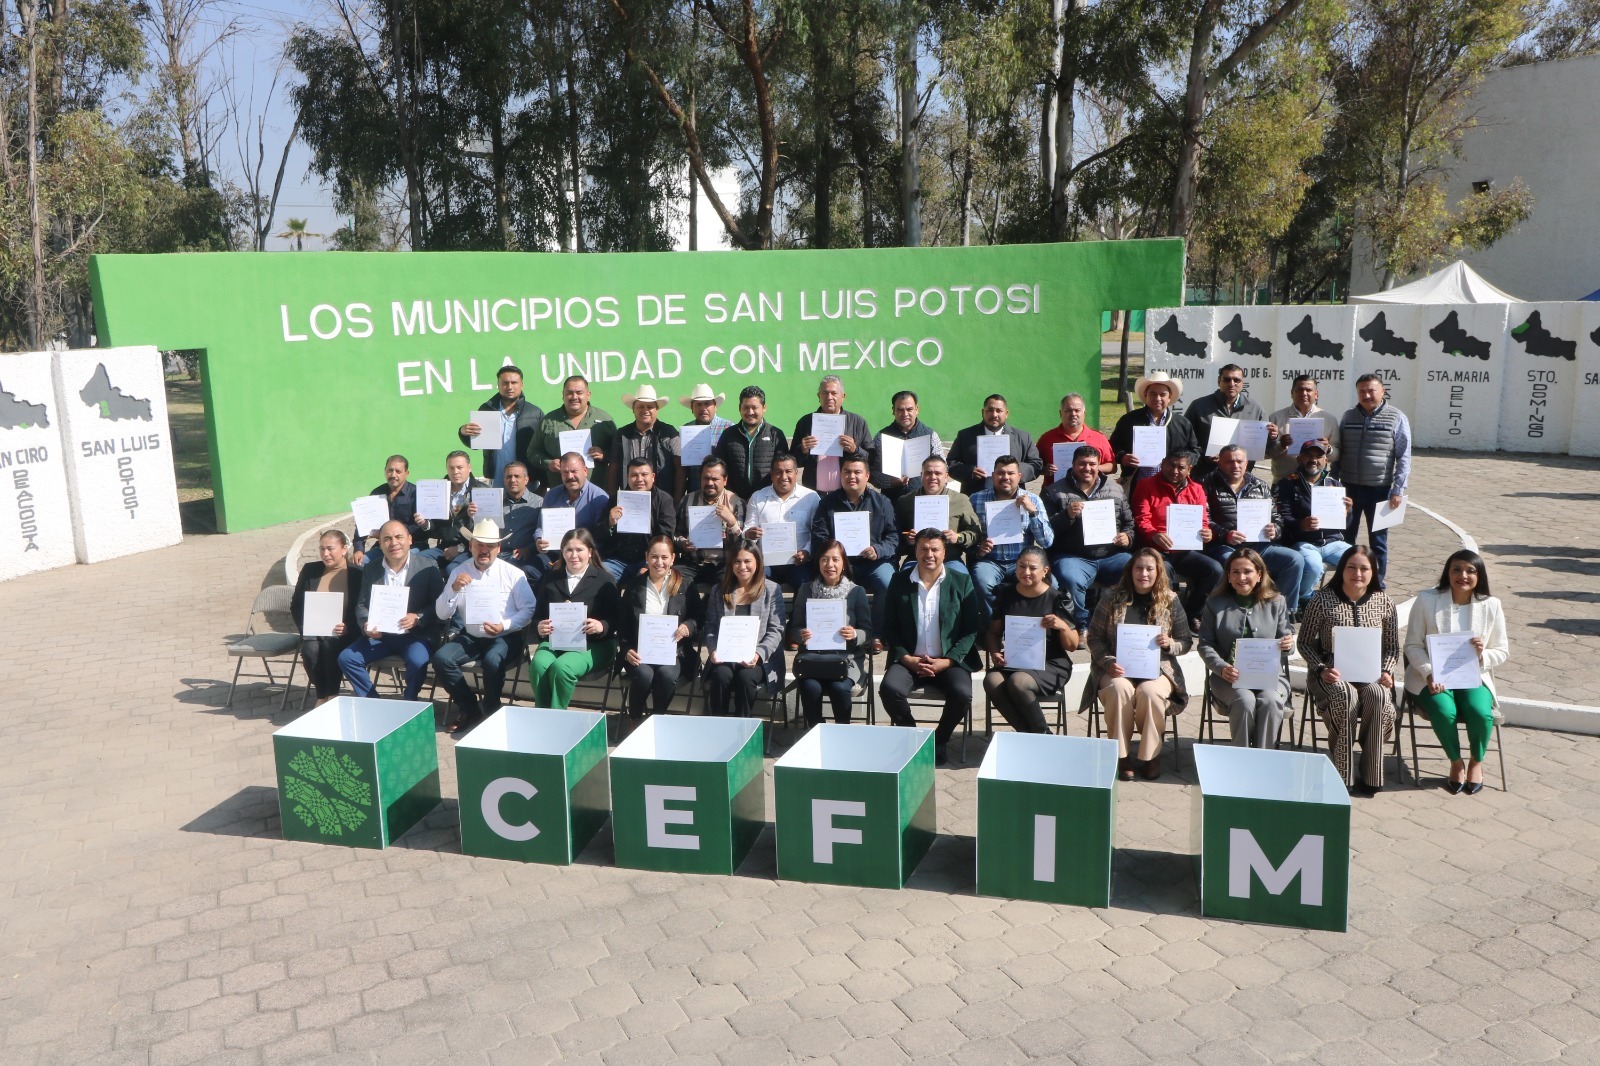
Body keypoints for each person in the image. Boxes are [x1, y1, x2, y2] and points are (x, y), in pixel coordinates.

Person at [1080, 547, 1194, 781]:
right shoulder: (1111, 597)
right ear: (1130, 570)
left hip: (1158, 669)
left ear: (1158, 571)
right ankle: (1121, 756)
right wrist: (1108, 661)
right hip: (1117, 668)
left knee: (1150, 693)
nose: (1144, 573)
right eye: (1139, 568)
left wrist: (1170, 644)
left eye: (1149, 569)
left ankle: (1151, 755)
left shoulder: (1170, 600)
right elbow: (1094, 637)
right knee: (1119, 689)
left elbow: (1186, 641)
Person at [1404, 550, 1510, 795]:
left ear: (1479, 575)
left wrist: (1482, 654)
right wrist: (1429, 672)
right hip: (1431, 677)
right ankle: (1455, 761)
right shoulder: (1427, 600)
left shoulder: (1491, 605)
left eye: (1470, 571)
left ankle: (1476, 761)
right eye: (1457, 570)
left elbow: (1502, 651)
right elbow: (1412, 645)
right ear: (1447, 573)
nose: (1463, 575)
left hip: (1473, 676)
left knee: (1480, 712)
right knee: (1443, 710)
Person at [1297, 545, 1400, 795]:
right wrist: (1321, 668)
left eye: (1364, 568)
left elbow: (1392, 648)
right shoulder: (1322, 600)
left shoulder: (1384, 602)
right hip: (1331, 673)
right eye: (1351, 567)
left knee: (1378, 695)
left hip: (1371, 673)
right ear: (1342, 569)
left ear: (1373, 572)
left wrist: (1387, 672)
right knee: (1346, 695)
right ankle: (1343, 772)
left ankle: (1371, 773)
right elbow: (1304, 643)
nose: (1358, 574)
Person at [879, 529, 982, 766]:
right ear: (915, 551)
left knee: (962, 694)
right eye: (923, 548)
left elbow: (970, 630)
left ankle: (939, 740)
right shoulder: (899, 581)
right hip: (910, 660)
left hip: (948, 661)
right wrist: (907, 659)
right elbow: (890, 627)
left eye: (935, 549)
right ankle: (916, 739)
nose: (929, 554)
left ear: (944, 552)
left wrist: (948, 661)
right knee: (889, 689)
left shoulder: (961, 581)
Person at [433, 519, 537, 735]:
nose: (484, 550)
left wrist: (504, 625)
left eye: (490, 546)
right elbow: (442, 614)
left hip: (505, 636)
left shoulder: (513, 574)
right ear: (470, 545)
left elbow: (528, 609)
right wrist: (453, 589)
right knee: (442, 659)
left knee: (492, 660)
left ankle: (491, 710)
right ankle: (469, 708)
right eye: (479, 544)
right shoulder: (458, 572)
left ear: (498, 548)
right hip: (471, 635)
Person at [1197, 549, 1295, 749]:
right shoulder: (1215, 604)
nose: (1241, 577)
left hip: (1270, 677)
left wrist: (1287, 645)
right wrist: (1221, 667)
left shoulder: (1276, 602)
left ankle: (1263, 757)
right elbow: (1205, 644)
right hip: (1228, 678)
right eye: (1235, 572)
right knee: (1244, 700)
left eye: (1247, 571)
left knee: (1270, 701)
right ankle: (1242, 757)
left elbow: (1286, 640)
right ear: (1228, 576)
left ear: (1259, 574)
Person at [338, 520, 446, 700]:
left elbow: (440, 605)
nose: (393, 543)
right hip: (381, 636)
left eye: (398, 537)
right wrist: (366, 624)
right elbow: (362, 605)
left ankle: (409, 702)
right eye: (387, 539)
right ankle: (373, 702)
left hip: (415, 636)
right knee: (347, 658)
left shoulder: (428, 566)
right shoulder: (371, 569)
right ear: (380, 544)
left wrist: (418, 617)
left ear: (410, 539)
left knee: (417, 661)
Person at [984, 547, 1079, 735]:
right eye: (1021, 566)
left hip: (1049, 664)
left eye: (1032, 568)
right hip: (1016, 660)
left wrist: (1062, 626)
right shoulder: (1006, 595)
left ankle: (1041, 734)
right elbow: (993, 633)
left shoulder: (1057, 598)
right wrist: (995, 652)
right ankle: (1029, 734)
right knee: (992, 680)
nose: (1025, 572)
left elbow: (1072, 645)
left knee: (1018, 681)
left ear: (1045, 571)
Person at [1202, 444, 1306, 612]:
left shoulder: (1260, 485)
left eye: (1239, 461)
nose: (1235, 466)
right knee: (1235, 564)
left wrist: (1275, 529)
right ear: (1219, 463)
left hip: (1258, 546)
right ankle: (1233, 611)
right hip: (1223, 546)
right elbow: (1203, 520)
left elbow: (1276, 517)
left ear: (1246, 463)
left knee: (1294, 559)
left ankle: (1284, 612)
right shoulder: (1205, 484)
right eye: (1229, 461)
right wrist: (1225, 534)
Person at [528, 528, 621, 709]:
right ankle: (543, 716)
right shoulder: (551, 578)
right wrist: (539, 626)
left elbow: (618, 618)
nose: (574, 555)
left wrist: (602, 626)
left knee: (562, 668)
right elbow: (538, 616)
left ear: (590, 552)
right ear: (562, 552)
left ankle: (557, 717)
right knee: (538, 665)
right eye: (569, 550)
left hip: (595, 644)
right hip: (556, 642)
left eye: (579, 549)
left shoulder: (605, 580)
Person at [1044, 445, 1133, 630]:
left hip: (1111, 556)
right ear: (1073, 464)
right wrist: (1066, 515)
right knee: (1070, 578)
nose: (1087, 468)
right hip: (1072, 557)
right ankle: (1081, 626)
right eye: (1081, 464)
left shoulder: (1115, 489)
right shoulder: (1053, 491)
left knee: (1137, 569)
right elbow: (1045, 531)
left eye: (1092, 464)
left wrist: (1127, 537)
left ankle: (1121, 623)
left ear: (1098, 465)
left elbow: (1129, 523)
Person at [787, 540, 872, 726]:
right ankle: (817, 730)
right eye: (824, 559)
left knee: (839, 688)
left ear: (844, 564)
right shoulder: (805, 590)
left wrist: (854, 634)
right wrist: (801, 634)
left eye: (835, 559)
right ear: (818, 563)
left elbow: (868, 633)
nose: (830, 565)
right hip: (812, 660)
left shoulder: (856, 592)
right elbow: (794, 629)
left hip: (846, 660)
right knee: (809, 687)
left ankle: (842, 731)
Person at [810, 453, 898, 632]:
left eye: (857, 472)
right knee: (824, 580)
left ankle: (876, 634)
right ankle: (831, 634)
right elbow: (819, 537)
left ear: (867, 475)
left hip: (874, 563)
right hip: (840, 565)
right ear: (840, 474)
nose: (851, 476)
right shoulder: (827, 504)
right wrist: (835, 553)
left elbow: (893, 537)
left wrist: (878, 550)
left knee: (888, 582)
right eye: (846, 472)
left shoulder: (882, 502)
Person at [1339, 375, 1411, 589]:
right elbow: (1340, 450)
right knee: (1344, 538)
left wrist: (1398, 489)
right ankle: (1344, 581)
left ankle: (1377, 584)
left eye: (1371, 390)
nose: (1367, 395)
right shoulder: (1348, 416)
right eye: (1362, 391)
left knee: (1378, 540)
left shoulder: (1396, 417)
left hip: (1380, 489)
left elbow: (1404, 456)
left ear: (1383, 391)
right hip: (1349, 488)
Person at [1131, 452, 1221, 623]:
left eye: (1181, 467)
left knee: (1215, 570)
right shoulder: (1146, 485)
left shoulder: (1197, 489)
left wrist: (1206, 533)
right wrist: (1153, 534)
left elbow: (1202, 521)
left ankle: (1192, 614)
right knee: (1163, 569)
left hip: (1184, 550)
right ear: (1163, 463)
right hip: (1154, 549)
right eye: (1171, 465)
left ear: (1189, 469)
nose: (1175, 471)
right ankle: (1162, 617)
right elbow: (1141, 519)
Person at [617, 536, 699, 720]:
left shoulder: (686, 585)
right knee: (643, 674)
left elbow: (698, 618)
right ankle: (634, 719)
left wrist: (688, 626)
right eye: (654, 556)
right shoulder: (634, 586)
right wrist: (627, 649)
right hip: (640, 652)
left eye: (664, 557)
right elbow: (623, 624)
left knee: (666, 675)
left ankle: (657, 720)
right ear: (646, 557)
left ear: (673, 558)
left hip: (675, 653)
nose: (659, 562)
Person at [704, 543, 787, 717]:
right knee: (720, 676)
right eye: (737, 561)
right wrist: (713, 649)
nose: (742, 566)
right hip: (725, 656)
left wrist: (758, 654)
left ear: (758, 562)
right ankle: (718, 724)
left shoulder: (771, 589)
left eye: (747, 561)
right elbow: (711, 626)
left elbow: (776, 629)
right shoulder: (719, 590)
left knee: (745, 678)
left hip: (760, 659)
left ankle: (743, 726)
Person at [969, 455, 1052, 622]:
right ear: (993, 476)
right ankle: (993, 628)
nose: (1005, 477)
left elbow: (1046, 542)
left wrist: (1032, 512)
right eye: (1000, 473)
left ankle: (1032, 627)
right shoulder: (976, 499)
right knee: (982, 580)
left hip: (1022, 562)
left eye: (1011, 473)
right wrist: (979, 549)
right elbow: (968, 536)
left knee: (1051, 585)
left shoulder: (1033, 500)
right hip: (991, 561)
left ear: (1019, 476)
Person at [1272, 441, 1351, 611]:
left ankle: (1340, 597)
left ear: (1326, 460)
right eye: (1308, 455)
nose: (1313, 460)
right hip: (1303, 542)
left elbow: (1345, 525)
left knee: (1357, 559)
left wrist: (1347, 512)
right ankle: (1304, 597)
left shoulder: (1334, 485)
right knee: (1313, 566)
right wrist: (1300, 524)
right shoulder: (1287, 484)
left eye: (1319, 456)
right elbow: (1281, 518)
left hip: (1332, 542)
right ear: (1299, 458)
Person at [290, 529, 362, 703]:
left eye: (330, 548)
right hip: (314, 631)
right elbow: (296, 605)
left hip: (344, 633)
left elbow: (361, 607)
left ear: (344, 549)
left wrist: (349, 627)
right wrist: (306, 628)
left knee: (331, 645)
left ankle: (332, 694)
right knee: (309, 651)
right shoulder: (310, 570)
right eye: (322, 549)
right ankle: (322, 695)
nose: (325, 554)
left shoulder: (358, 574)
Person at [1109, 371, 1200, 490]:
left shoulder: (1182, 423)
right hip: (1137, 484)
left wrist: (1184, 462)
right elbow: (1112, 446)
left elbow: (1195, 450)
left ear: (1169, 396)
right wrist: (1123, 457)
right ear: (1145, 394)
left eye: (1162, 394)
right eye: (1153, 394)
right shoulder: (1129, 420)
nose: (1157, 398)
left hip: (1172, 486)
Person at [1184, 363, 1274, 480]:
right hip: (1205, 477)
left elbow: (1267, 448)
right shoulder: (1199, 406)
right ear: (1219, 381)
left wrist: (1273, 437)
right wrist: (1204, 456)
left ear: (1242, 383)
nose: (1232, 384)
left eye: (1236, 380)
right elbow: (1185, 441)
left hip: (1241, 479)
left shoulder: (1255, 408)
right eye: (1227, 380)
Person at [892, 455, 979, 576]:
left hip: (950, 559)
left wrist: (958, 537)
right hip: (916, 559)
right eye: (928, 473)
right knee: (904, 579)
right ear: (921, 475)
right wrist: (907, 539)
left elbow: (975, 532)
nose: (933, 477)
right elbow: (894, 534)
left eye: (938, 473)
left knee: (961, 579)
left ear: (946, 477)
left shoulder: (961, 500)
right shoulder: (905, 501)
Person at [529, 375, 616, 493]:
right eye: (569, 393)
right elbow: (532, 452)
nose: (574, 397)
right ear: (563, 395)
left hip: (596, 494)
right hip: (560, 492)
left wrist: (604, 455)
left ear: (588, 394)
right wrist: (548, 463)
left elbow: (619, 453)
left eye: (579, 393)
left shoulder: (604, 420)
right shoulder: (548, 421)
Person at [745, 451, 818, 588]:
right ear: (771, 475)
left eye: (788, 471)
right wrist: (749, 534)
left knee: (805, 585)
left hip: (798, 562)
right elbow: (747, 530)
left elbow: (816, 532)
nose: (783, 477)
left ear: (796, 473)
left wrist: (807, 552)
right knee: (754, 582)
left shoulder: (811, 497)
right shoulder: (758, 497)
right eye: (778, 472)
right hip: (765, 563)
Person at [459, 364, 543, 484]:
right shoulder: (487, 409)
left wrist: (543, 483)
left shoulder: (534, 413)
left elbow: (542, 448)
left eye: (514, 383)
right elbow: (477, 443)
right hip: (496, 479)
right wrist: (463, 432)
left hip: (526, 481)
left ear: (521, 384)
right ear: (498, 385)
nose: (509, 387)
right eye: (505, 383)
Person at [947, 393, 1042, 492]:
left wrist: (1015, 471)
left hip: (1012, 497)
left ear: (1006, 413)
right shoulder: (965, 436)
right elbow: (951, 463)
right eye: (990, 410)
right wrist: (970, 471)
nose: (994, 415)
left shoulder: (1023, 437)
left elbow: (1036, 464)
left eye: (999, 411)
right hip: (975, 495)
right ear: (983, 412)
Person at [675, 458, 747, 590]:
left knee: (727, 586)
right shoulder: (687, 500)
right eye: (706, 478)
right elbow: (677, 533)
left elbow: (742, 544)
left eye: (715, 479)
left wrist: (731, 521)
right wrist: (683, 543)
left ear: (725, 480)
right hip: (693, 562)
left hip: (723, 564)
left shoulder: (736, 503)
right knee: (674, 580)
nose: (709, 483)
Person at [603, 456, 677, 582]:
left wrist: (648, 564)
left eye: (644, 474)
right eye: (634, 475)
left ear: (653, 477)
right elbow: (600, 534)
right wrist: (609, 522)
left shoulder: (664, 500)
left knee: (647, 580)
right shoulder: (616, 500)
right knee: (602, 577)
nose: (639, 479)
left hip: (649, 560)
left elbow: (666, 535)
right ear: (627, 477)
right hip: (618, 560)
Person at [792, 375, 873, 490]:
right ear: (819, 396)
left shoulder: (858, 422)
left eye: (834, 393)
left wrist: (855, 450)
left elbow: (871, 459)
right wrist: (802, 449)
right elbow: (792, 462)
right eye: (825, 393)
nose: (829, 397)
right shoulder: (806, 422)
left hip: (846, 493)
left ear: (843, 396)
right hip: (813, 493)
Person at [716, 385, 790, 500]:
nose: (750, 412)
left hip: (767, 500)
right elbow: (720, 468)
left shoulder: (775, 434)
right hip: (734, 500)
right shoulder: (728, 435)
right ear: (739, 408)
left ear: (764, 408)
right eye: (745, 407)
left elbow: (782, 468)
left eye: (755, 407)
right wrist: (730, 494)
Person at [606, 384, 681, 496]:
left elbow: (680, 468)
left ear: (657, 410)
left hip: (661, 497)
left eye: (650, 407)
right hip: (629, 496)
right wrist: (613, 499)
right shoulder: (622, 434)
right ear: (633, 409)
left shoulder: (669, 432)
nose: (645, 410)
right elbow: (613, 468)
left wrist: (677, 499)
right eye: (640, 406)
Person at [870, 390, 945, 501]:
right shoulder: (881, 437)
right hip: (892, 501)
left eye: (909, 409)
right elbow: (872, 472)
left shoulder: (930, 435)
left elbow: (943, 470)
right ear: (893, 411)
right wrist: (890, 482)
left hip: (923, 499)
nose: (905, 414)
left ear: (917, 409)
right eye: (900, 410)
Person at [352, 455, 426, 567]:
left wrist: (387, 534)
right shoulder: (377, 493)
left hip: (413, 545)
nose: (393, 475)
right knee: (359, 563)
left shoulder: (416, 494)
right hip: (385, 546)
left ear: (407, 473)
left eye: (398, 471)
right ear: (385, 471)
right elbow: (362, 523)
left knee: (396, 561)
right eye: (390, 470)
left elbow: (419, 526)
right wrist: (358, 549)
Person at [1265, 374, 1340, 483]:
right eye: (1300, 389)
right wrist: (1281, 446)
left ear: (1316, 394)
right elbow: (1266, 454)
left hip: (1316, 484)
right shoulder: (1276, 418)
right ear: (1292, 393)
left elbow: (1337, 456)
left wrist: (1328, 449)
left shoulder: (1329, 420)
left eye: (1308, 390)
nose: (1304, 393)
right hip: (1283, 483)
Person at [420, 450, 489, 566]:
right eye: (451, 468)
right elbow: (435, 525)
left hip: (470, 548)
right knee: (417, 561)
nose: (455, 472)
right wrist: (425, 523)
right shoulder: (439, 490)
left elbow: (487, 529)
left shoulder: (482, 491)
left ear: (469, 468)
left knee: (452, 569)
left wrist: (460, 547)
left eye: (459, 467)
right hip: (443, 546)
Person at [539, 451, 612, 548]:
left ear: (585, 471)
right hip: (553, 551)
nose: (570, 476)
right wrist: (539, 540)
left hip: (586, 552)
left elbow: (601, 535)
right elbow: (540, 527)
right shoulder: (551, 495)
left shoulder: (599, 498)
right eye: (565, 472)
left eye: (574, 471)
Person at [1037, 393, 1115, 481]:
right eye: (1068, 410)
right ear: (1060, 413)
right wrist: (1044, 470)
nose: (1073, 414)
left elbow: (1112, 466)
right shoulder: (1046, 438)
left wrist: (1093, 468)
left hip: (1090, 489)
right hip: (1055, 489)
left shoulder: (1099, 438)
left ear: (1084, 413)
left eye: (1077, 410)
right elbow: (1033, 465)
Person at [678, 383, 735, 493]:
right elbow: (682, 469)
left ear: (715, 406)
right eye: (698, 404)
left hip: (722, 494)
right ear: (692, 408)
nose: (703, 408)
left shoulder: (728, 428)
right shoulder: (685, 431)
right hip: (695, 492)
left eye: (707, 404)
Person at [499, 461, 545, 582]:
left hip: (525, 557)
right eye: (509, 476)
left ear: (526, 480)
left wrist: (529, 549)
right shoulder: (495, 502)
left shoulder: (539, 503)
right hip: (497, 555)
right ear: (504, 480)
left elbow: (543, 532)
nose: (512, 480)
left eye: (517, 476)